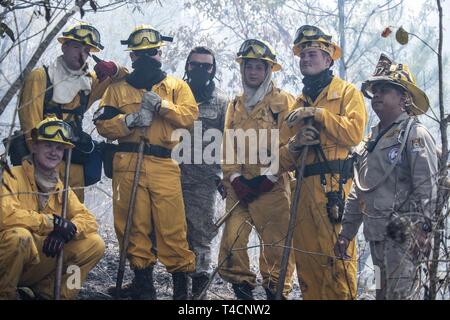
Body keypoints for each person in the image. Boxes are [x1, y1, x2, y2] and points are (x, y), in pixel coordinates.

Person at [94, 25, 197, 300]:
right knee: (132, 224)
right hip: (127, 160)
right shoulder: (117, 89)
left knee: (172, 226)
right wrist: (128, 121)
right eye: (140, 54)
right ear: (132, 58)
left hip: (164, 161)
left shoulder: (176, 86)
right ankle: (143, 286)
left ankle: (181, 292)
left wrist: (163, 107)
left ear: (160, 53)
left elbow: (189, 118)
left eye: (152, 52)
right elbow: (102, 124)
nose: (147, 57)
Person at [335, 54, 438, 300]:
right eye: (376, 90)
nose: (377, 95)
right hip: (376, 239)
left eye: (386, 90)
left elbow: (427, 187)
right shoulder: (370, 142)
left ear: (404, 98)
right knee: (381, 294)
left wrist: (423, 231)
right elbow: (359, 191)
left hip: (404, 239)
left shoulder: (415, 135)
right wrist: (346, 233)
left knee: (400, 296)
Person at [278, 25, 367, 299]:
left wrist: (319, 114)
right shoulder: (297, 104)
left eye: (312, 54)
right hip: (303, 191)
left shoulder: (347, 93)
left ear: (328, 59)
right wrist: (296, 144)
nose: (306, 59)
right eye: (302, 55)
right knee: (308, 266)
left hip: (334, 190)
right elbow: (281, 160)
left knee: (337, 265)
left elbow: (354, 133)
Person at [219, 39, 296, 300]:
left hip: (272, 187)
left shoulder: (284, 102)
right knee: (233, 240)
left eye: (258, 68)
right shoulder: (235, 104)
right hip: (239, 187)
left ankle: (275, 294)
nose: (252, 72)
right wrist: (236, 177)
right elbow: (228, 144)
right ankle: (243, 294)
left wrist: (270, 176)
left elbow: (292, 144)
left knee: (276, 247)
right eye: (248, 67)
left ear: (268, 71)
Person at [0, 117, 105, 300]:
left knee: (95, 245)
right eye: (48, 145)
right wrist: (52, 223)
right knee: (19, 237)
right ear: (34, 147)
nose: (54, 152)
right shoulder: (11, 177)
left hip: (36, 265)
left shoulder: (61, 188)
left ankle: (50, 295)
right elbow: (6, 216)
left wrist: (67, 231)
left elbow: (88, 219)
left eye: (59, 148)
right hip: (9, 260)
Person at [18, 22, 123, 202]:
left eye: (87, 50)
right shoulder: (41, 76)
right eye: (76, 47)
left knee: (73, 219)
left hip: (74, 166)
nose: (81, 53)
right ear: (64, 46)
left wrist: (114, 68)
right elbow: (30, 127)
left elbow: (123, 80)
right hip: (42, 164)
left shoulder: (89, 82)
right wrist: (41, 166)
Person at [180, 46, 228, 299]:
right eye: (195, 64)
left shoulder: (221, 104)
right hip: (170, 177)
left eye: (206, 66)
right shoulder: (175, 95)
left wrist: (225, 175)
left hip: (204, 182)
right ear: (187, 65)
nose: (200, 70)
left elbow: (230, 142)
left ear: (213, 69)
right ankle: (178, 293)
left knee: (201, 237)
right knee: (173, 235)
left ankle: (199, 298)